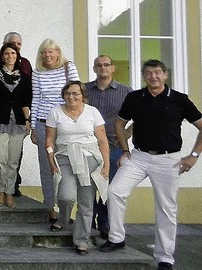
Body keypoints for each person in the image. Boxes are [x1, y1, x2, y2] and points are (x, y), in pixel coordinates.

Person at [100, 60, 202, 270]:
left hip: (168, 160)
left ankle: (164, 257)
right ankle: (117, 238)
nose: (153, 77)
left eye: (157, 73)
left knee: (166, 208)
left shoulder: (179, 99)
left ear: (165, 75)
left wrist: (193, 155)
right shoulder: (135, 97)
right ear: (143, 76)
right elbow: (119, 123)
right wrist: (125, 150)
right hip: (139, 157)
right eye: (148, 73)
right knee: (115, 191)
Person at [45, 81, 109, 255]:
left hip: (90, 158)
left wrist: (106, 165)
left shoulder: (92, 112)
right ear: (63, 95)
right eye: (68, 93)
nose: (71, 97)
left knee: (86, 202)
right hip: (65, 157)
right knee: (65, 196)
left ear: (83, 96)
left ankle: (82, 240)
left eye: (75, 93)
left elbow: (102, 139)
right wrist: (51, 161)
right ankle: (64, 219)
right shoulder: (55, 112)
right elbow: (50, 140)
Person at [30, 39, 80, 223]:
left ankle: (68, 208)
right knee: (47, 167)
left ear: (58, 53)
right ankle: (50, 207)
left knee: (68, 165)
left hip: (65, 124)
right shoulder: (37, 73)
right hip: (43, 124)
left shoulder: (68, 68)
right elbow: (35, 99)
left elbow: (77, 94)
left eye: (51, 52)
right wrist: (33, 126)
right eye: (44, 52)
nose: (48, 55)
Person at [84, 55, 133, 238]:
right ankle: (88, 221)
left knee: (109, 188)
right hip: (89, 146)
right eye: (99, 65)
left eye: (106, 65)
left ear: (112, 68)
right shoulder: (85, 90)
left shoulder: (125, 91)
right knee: (88, 187)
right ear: (94, 68)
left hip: (114, 146)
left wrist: (126, 134)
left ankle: (104, 224)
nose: (102, 68)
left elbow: (140, 115)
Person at [0, 43, 32, 208]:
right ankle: (0, 191)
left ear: (17, 56)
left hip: (17, 124)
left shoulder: (24, 77)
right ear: (2, 56)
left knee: (13, 160)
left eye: (13, 53)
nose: (10, 56)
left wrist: (27, 121)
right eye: (6, 53)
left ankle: (10, 192)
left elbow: (26, 102)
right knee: (0, 159)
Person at [1, 31, 34, 198]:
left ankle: (13, 185)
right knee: (0, 155)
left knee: (15, 154)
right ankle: (0, 186)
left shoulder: (26, 65)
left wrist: (28, 118)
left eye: (18, 45)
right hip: (1, 118)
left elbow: (28, 95)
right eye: (11, 45)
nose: (15, 48)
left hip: (20, 118)